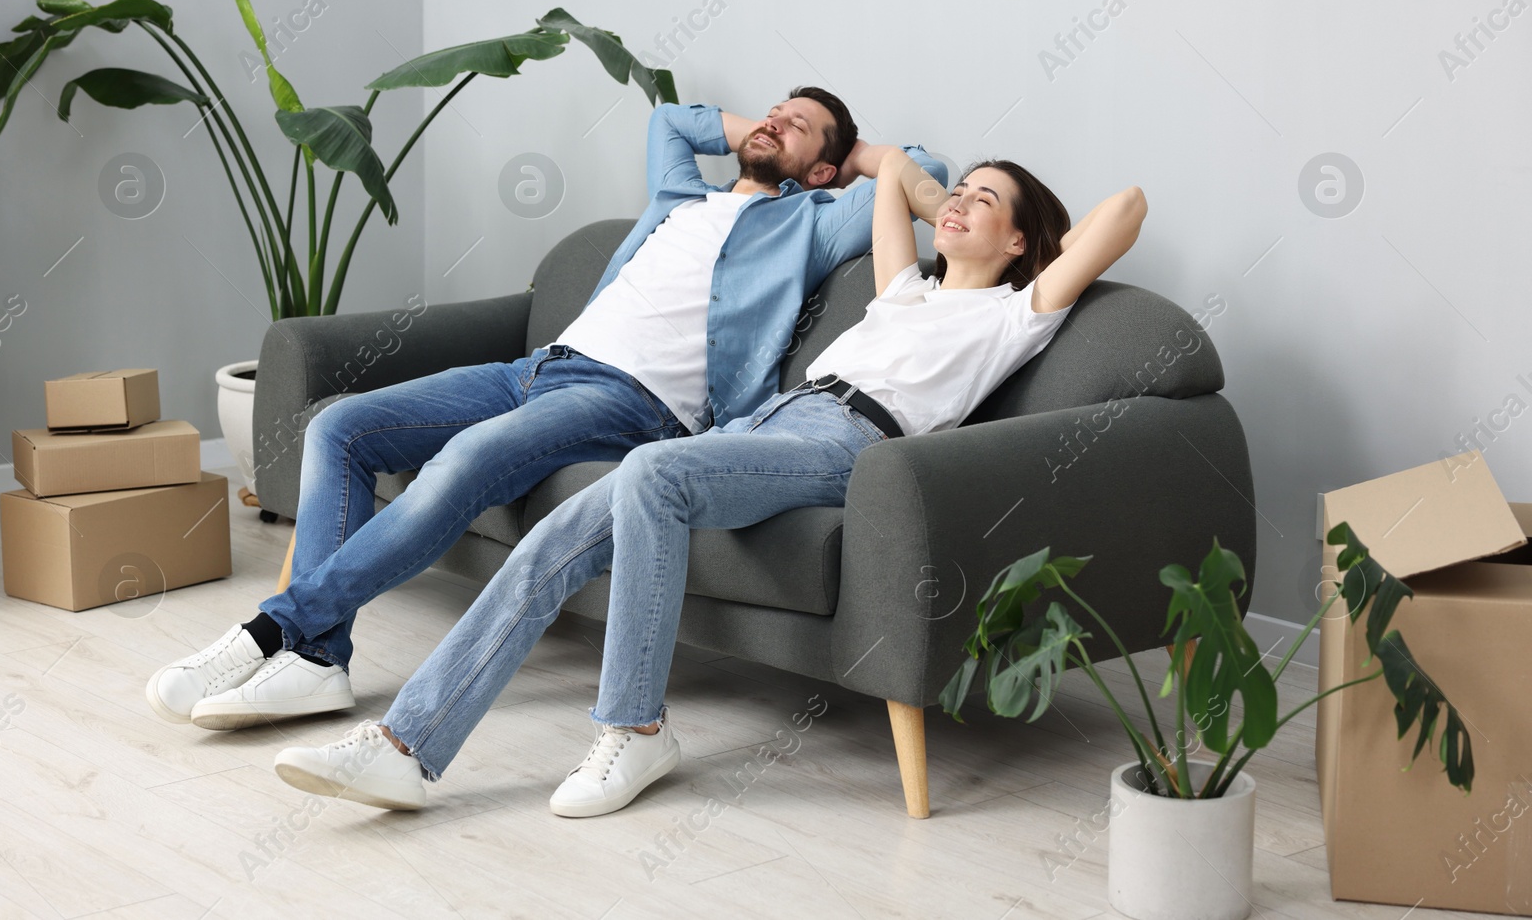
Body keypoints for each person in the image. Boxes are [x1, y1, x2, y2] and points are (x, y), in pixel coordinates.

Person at [267, 147, 1148, 813]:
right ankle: (407, 744)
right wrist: (937, 196)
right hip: (767, 423)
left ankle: (636, 728)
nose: (955, 205)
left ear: (1025, 237)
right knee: (551, 542)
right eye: (957, 195)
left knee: (652, 472)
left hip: (852, 444)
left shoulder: (1011, 316)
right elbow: (893, 178)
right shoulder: (905, 292)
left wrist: (1029, 238)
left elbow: (1126, 208)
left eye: (983, 202)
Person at [145, 89, 946, 729]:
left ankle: (272, 632)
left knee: (461, 462)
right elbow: (669, 119)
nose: (775, 120)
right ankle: (319, 663)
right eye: (775, 111)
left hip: (634, 401)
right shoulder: (679, 194)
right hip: (537, 368)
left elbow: (921, 171)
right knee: (340, 426)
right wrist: (771, 132)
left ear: (823, 173)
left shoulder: (811, 222)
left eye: (800, 127)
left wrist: (851, 164)